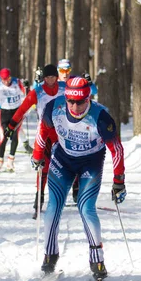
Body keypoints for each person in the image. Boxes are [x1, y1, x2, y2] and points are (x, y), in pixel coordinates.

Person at [32, 76, 126, 280]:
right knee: (53, 206)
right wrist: (38, 155)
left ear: (88, 98)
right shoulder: (53, 108)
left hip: (90, 162)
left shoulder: (100, 117)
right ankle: (50, 255)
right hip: (63, 159)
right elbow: (43, 131)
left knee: (86, 208)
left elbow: (116, 149)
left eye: (80, 101)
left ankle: (97, 258)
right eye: (70, 101)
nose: (75, 106)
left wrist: (119, 180)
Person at [3, 64, 66, 218]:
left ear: (56, 77)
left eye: (52, 77)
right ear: (43, 78)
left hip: (62, 133)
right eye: (47, 77)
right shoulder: (37, 92)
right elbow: (22, 109)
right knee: (42, 167)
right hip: (43, 133)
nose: (50, 80)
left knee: (67, 165)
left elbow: (82, 94)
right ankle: (40, 196)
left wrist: (87, 84)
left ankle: (73, 193)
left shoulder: (65, 88)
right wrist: (11, 125)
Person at [57, 58, 98, 203]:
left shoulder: (76, 81)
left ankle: (76, 188)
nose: (65, 73)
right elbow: (39, 90)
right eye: (62, 70)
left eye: (67, 70)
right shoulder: (53, 82)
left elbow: (93, 91)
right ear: (58, 71)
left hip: (75, 124)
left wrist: (89, 83)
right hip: (57, 123)